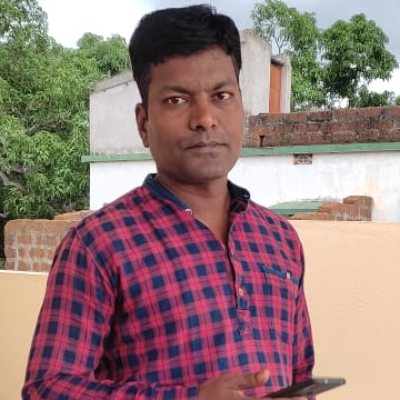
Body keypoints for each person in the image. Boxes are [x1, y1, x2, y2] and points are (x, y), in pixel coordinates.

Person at [22, 4, 314, 400]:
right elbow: (47, 388)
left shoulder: (280, 239)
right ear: (144, 124)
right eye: (177, 100)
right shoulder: (98, 245)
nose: (205, 118)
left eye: (222, 95)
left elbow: (300, 374)